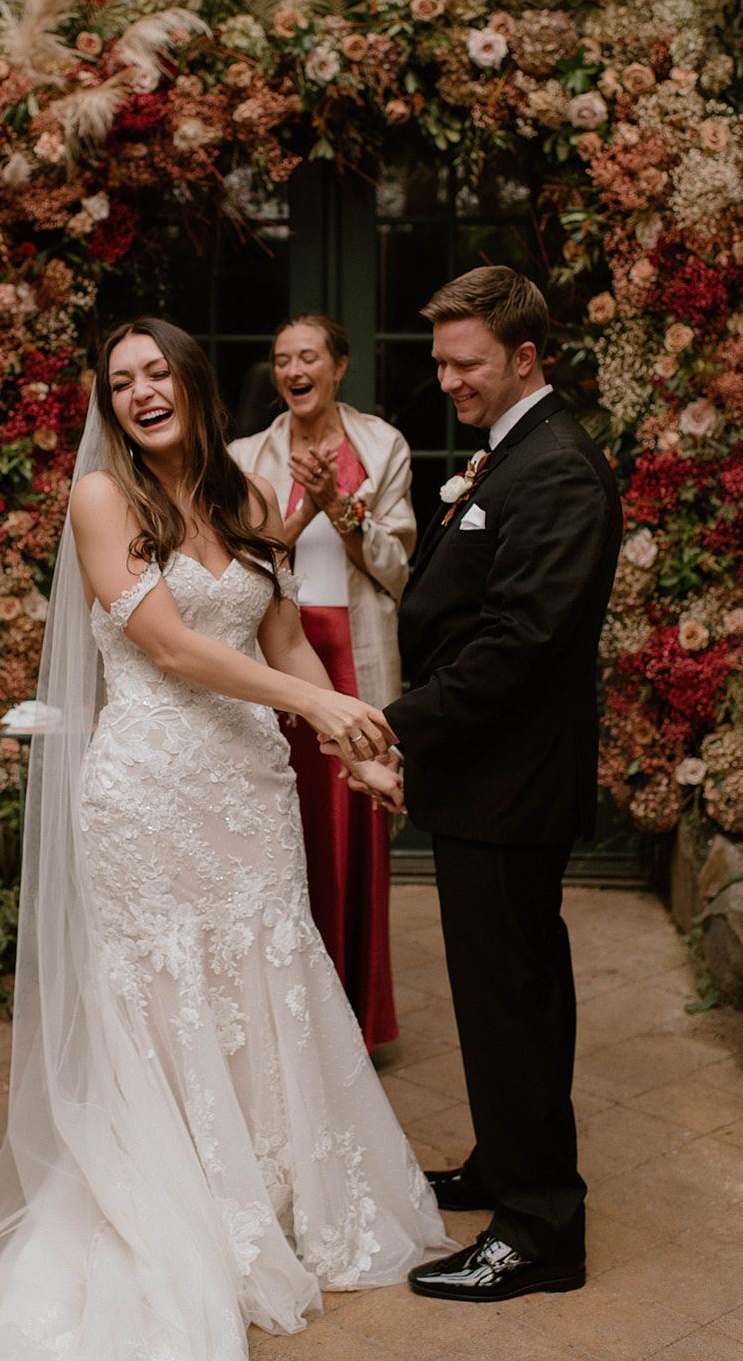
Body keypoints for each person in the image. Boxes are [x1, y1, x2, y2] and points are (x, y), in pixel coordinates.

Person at [0, 317, 449, 1361]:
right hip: (149, 792)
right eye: (120, 380)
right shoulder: (102, 499)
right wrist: (316, 711)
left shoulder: (240, 494)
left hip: (249, 789)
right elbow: (176, 648)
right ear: (109, 401)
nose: (141, 391)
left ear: (189, 381)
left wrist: (352, 749)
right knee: (168, 993)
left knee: (263, 972)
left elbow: (279, 633)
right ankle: (187, 1214)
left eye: (156, 372)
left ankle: (280, 1199)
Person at [339, 267, 622, 1304]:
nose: (447, 378)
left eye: (467, 363)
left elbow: (515, 643)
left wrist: (391, 723)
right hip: (483, 780)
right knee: (498, 996)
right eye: (442, 359)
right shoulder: (515, 452)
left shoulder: (560, 472)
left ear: (525, 357)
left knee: (514, 999)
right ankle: (508, 1166)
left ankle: (542, 1226)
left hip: (512, 787)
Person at [230, 315, 414, 1053]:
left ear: (339, 366)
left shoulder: (384, 446)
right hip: (281, 658)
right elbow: (245, 560)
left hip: (355, 651)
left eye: (308, 357)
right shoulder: (247, 454)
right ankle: (291, 1022)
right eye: (281, 360)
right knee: (288, 831)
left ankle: (359, 1022)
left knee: (356, 833)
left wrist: (342, 511)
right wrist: (306, 503)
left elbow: (398, 568)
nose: (293, 370)